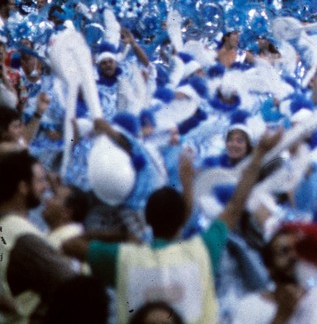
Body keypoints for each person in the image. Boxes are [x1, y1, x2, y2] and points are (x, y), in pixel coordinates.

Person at [64, 128, 285, 324]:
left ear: (148, 220)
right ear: (181, 220)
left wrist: (121, 234)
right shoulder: (202, 251)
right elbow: (235, 206)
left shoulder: (124, 259)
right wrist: (260, 153)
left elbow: (70, 245)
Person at [0, 150, 76, 323]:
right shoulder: (20, 235)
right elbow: (74, 289)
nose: (46, 187)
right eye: (40, 180)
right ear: (22, 187)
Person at [229, 226, 317, 323]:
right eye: (284, 252)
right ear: (269, 268)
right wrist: (282, 315)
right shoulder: (250, 307)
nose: (294, 256)